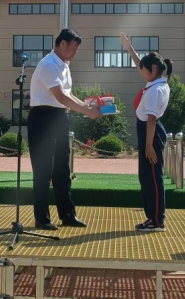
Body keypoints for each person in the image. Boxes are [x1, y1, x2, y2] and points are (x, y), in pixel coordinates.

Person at [28, 28, 102, 231]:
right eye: (74, 48)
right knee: (43, 171)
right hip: (43, 118)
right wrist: (87, 112)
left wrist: (88, 106)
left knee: (62, 168)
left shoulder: (64, 66)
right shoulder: (48, 65)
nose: (75, 52)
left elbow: (68, 95)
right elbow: (60, 96)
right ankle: (42, 219)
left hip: (60, 117)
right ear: (62, 44)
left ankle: (68, 215)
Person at [120, 32, 172, 232]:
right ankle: (152, 217)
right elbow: (140, 64)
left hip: (151, 133)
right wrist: (129, 48)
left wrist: (149, 146)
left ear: (155, 69)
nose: (141, 72)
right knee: (146, 177)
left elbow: (151, 119)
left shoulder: (156, 90)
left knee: (153, 178)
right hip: (148, 132)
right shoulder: (155, 83)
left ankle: (157, 220)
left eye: (144, 70)